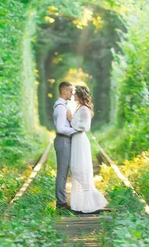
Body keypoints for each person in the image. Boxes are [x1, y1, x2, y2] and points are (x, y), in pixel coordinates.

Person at [67, 84, 108, 213]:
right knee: (76, 168)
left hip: (80, 140)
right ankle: (81, 204)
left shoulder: (84, 109)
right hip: (76, 140)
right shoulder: (80, 108)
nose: (73, 96)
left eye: (74, 93)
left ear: (79, 95)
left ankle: (92, 202)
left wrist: (71, 120)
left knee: (80, 169)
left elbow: (85, 127)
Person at [53, 81, 79, 210]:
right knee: (62, 172)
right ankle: (61, 202)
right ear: (64, 92)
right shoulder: (60, 107)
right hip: (63, 140)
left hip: (65, 141)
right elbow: (60, 128)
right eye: (70, 91)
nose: (72, 93)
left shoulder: (64, 105)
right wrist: (76, 131)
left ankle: (61, 200)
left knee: (65, 171)